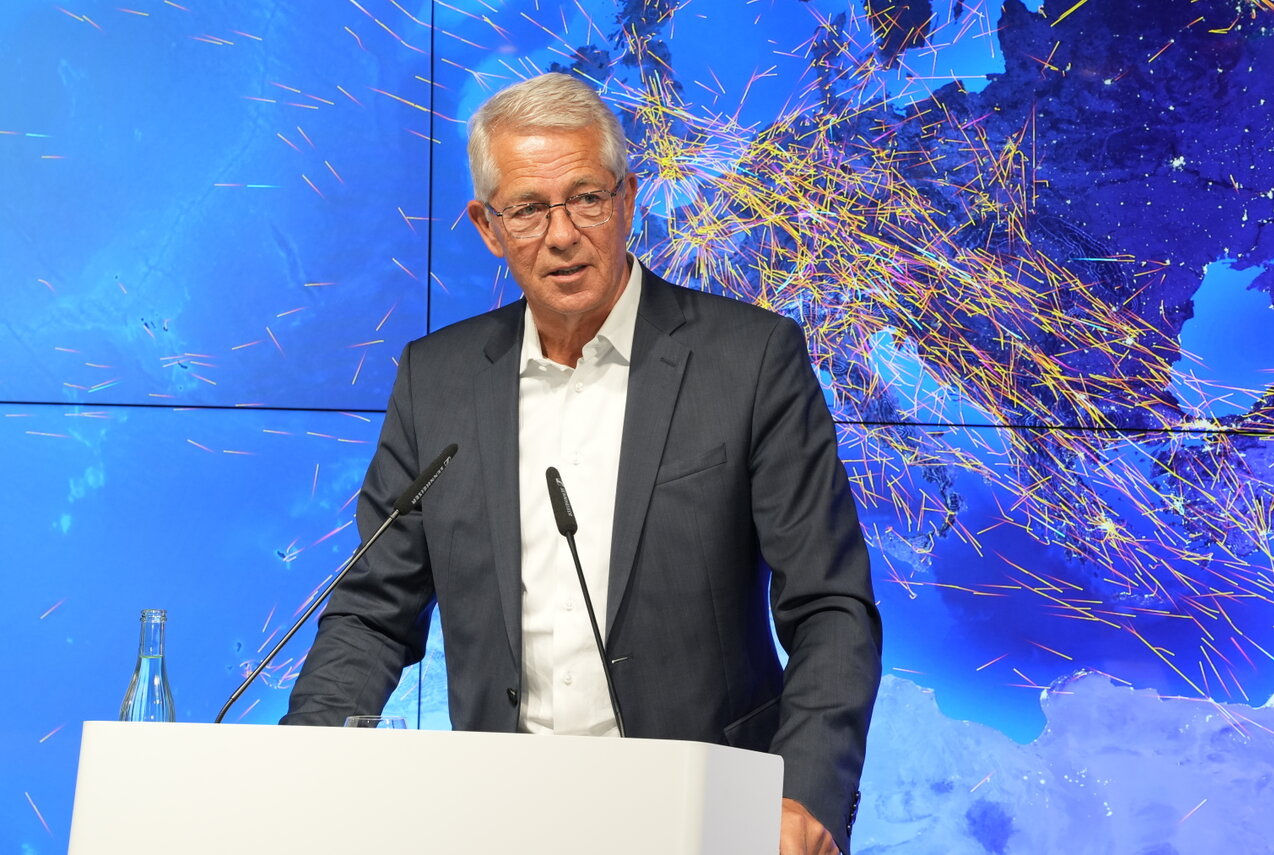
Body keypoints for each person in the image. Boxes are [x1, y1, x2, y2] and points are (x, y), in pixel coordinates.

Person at [282, 72, 882, 855]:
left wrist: (802, 792)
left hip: (703, 819)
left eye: (586, 198)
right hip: (500, 821)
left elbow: (831, 605)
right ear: (488, 226)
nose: (561, 234)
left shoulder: (750, 361)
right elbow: (371, 610)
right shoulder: (437, 381)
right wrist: (298, 770)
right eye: (528, 209)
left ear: (627, 199)